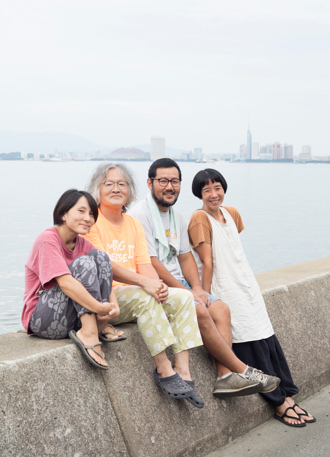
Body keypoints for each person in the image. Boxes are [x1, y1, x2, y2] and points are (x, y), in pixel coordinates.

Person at [129, 158, 280, 398]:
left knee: (222, 310)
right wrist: (187, 292)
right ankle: (243, 370)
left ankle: (224, 377)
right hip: (156, 285)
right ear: (150, 183)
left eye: (175, 181)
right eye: (163, 181)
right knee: (198, 309)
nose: (170, 186)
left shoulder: (177, 216)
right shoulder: (140, 214)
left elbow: (186, 257)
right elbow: (152, 263)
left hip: (182, 284)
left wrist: (197, 288)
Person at [188, 168, 316, 427]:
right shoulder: (199, 218)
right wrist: (208, 296)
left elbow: (233, 248)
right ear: (199, 194)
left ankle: (287, 396)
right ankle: (279, 403)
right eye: (207, 190)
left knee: (264, 334)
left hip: (245, 283)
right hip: (224, 287)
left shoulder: (231, 213)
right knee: (248, 340)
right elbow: (207, 262)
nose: (214, 194)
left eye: (218, 188)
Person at [84, 163, 204, 408]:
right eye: (109, 184)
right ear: (97, 189)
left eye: (122, 184)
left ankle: (183, 370)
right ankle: (163, 368)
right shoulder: (91, 222)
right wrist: (145, 284)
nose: (116, 189)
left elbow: (143, 263)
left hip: (137, 289)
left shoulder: (132, 224)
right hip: (109, 298)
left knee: (182, 297)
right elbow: (105, 265)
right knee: (144, 296)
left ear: (130, 190)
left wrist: (157, 285)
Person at [22, 189, 125, 371]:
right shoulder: (47, 239)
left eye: (92, 214)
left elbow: (105, 272)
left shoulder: (83, 244)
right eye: (81, 211)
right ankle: (90, 333)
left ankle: (99, 325)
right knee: (83, 263)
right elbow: (66, 284)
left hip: (70, 319)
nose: (88, 218)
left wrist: (113, 306)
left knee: (100, 257)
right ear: (63, 214)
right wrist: (98, 307)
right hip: (43, 321)